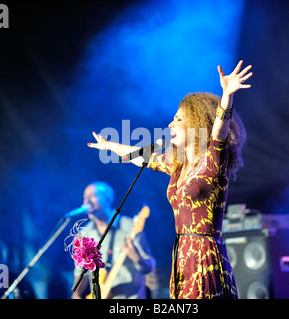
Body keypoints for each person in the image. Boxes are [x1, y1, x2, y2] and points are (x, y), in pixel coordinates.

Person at [87, 61, 252, 299]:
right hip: (182, 254)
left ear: (197, 123)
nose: (171, 125)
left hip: (204, 254)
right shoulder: (177, 166)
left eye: (178, 120)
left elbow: (219, 132)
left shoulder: (213, 160)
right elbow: (140, 157)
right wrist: (109, 145)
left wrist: (226, 96)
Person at [71, 181, 156, 299]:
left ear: (108, 199)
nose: (86, 202)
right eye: (85, 198)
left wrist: (137, 258)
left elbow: (150, 266)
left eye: (93, 196)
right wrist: (76, 294)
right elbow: (81, 272)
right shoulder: (84, 234)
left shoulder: (130, 226)